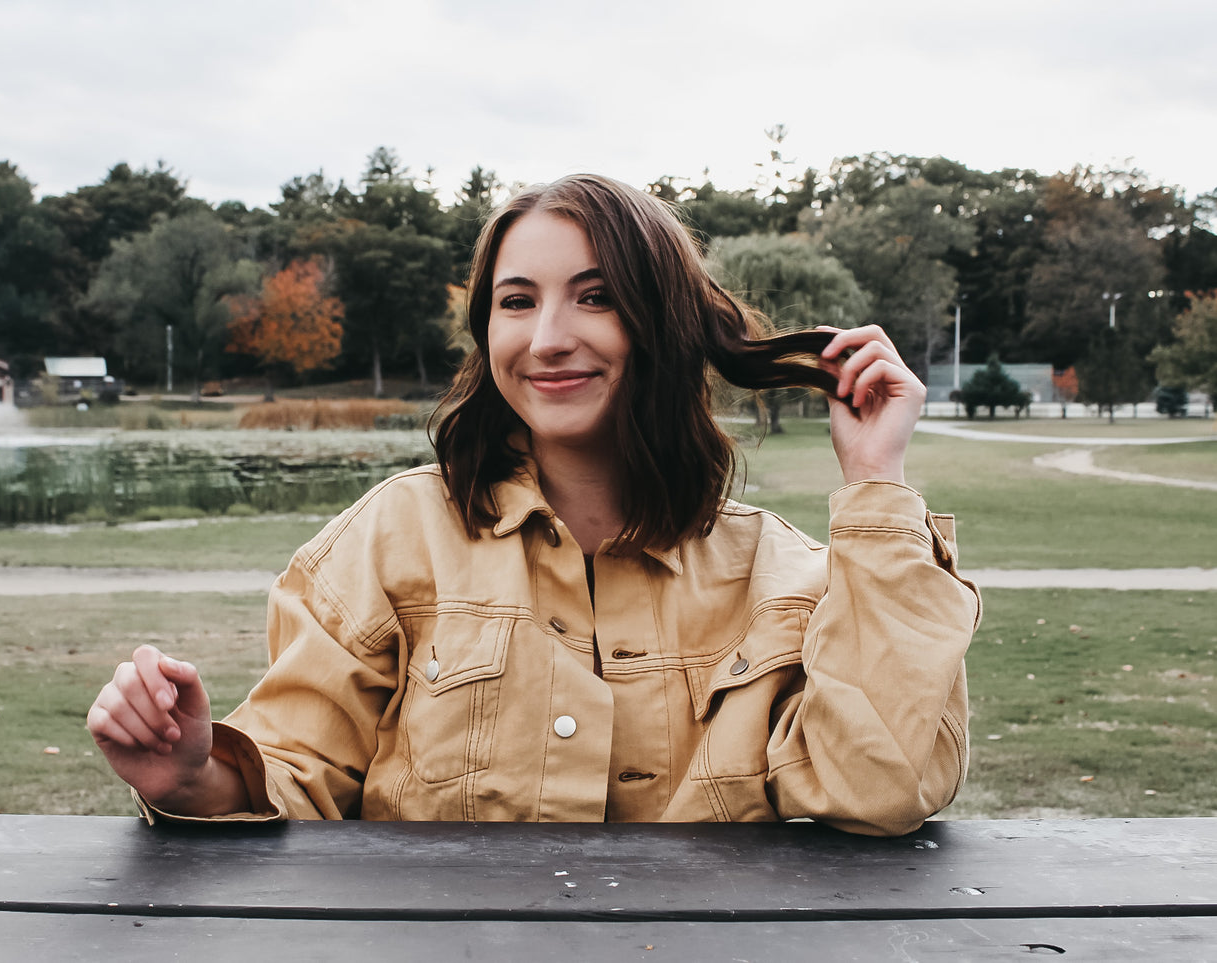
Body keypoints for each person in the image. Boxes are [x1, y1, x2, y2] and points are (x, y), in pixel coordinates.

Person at [87, 174, 980, 836]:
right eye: (517, 302)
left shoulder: (781, 574)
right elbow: (297, 769)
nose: (548, 338)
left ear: (661, 323)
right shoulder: (393, 539)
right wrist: (193, 774)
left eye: (595, 297)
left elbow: (884, 783)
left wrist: (874, 485)